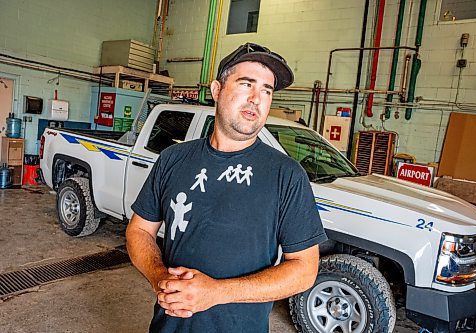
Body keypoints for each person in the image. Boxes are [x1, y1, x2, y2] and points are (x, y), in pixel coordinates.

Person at [126, 42, 327, 333]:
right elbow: (140, 230)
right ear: (217, 90)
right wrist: (160, 278)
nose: (257, 99)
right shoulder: (173, 159)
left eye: (267, 91)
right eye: (247, 84)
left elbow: (304, 270)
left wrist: (217, 292)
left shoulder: (286, 175)